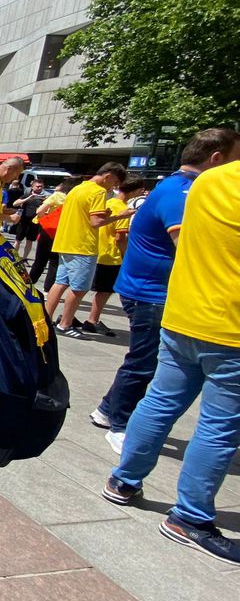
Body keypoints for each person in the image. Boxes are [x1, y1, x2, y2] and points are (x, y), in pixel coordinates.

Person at [100, 159, 240, 566]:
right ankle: (190, 517)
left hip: (183, 313)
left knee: (160, 400)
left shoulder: (210, 180)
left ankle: (123, 480)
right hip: (230, 326)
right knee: (218, 426)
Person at [91, 128, 240, 453]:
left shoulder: (179, 188)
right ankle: (120, 423)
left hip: (150, 290)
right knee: (144, 362)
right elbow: (190, 247)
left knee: (145, 359)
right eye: (234, 160)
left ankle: (107, 409)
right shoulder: (183, 192)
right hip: (150, 292)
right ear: (216, 159)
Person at [44, 163, 132, 338]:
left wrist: (105, 216)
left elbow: (88, 217)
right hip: (82, 245)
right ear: (108, 177)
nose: (113, 187)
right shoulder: (98, 191)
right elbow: (95, 223)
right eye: (114, 183)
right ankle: (65, 323)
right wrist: (119, 216)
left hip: (66, 242)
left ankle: (46, 319)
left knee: (60, 282)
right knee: (79, 287)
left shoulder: (78, 188)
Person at [83, 178, 145, 341]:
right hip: (111, 255)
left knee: (93, 288)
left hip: (98, 250)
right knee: (104, 291)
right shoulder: (123, 209)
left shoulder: (108, 202)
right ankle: (93, 319)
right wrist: (126, 256)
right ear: (135, 191)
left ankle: (88, 317)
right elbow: (120, 237)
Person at [28, 177, 75, 291]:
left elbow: (39, 211)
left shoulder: (57, 195)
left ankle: (28, 285)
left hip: (49, 229)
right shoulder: (74, 198)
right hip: (64, 231)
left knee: (40, 260)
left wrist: (47, 218)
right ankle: (47, 290)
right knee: (54, 262)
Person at [12, 179, 46, 261]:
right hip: (24, 222)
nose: (39, 188)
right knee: (18, 240)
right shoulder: (26, 195)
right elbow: (15, 203)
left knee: (29, 241)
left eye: (41, 186)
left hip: (35, 223)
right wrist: (29, 198)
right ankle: (13, 257)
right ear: (33, 187)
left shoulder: (43, 198)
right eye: (37, 186)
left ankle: (24, 258)